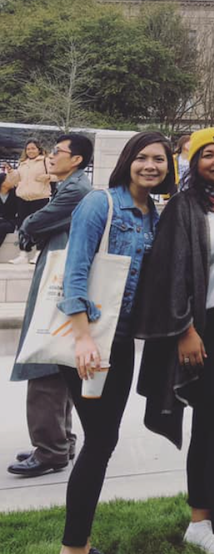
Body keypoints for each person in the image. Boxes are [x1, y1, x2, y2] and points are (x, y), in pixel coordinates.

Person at [135, 128, 214, 554]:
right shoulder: (184, 209)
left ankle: (199, 520)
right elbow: (168, 274)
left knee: (209, 427)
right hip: (209, 331)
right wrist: (184, 330)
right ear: (193, 163)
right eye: (206, 154)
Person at [56, 131, 174, 554]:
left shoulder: (154, 214)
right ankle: (74, 548)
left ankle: (79, 544)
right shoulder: (100, 203)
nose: (150, 166)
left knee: (103, 441)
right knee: (101, 440)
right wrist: (83, 337)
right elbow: (75, 270)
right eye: (142, 157)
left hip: (120, 345)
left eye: (159, 160)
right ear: (128, 160)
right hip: (86, 343)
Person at [7, 134, 94, 479]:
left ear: (76, 159)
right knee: (55, 363)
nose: (51, 156)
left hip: (55, 288)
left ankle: (50, 450)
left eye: (58, 151)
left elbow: (33, 224)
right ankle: (60, 442)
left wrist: (30, 229)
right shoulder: (73, 187)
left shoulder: (75, 191)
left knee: (43, 362)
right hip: (58, 282)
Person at [4, 139, 52, 265]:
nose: (30, 151)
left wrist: (48, 177)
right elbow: (15, 180)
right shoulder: (22, 163)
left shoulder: (46, 161)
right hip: (23, 199)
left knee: (40, 226)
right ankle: (23, 254)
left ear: (39, 149)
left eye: (33, 148)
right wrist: (10, 172)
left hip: (40, 198)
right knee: (23, 227)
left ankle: (38, 253)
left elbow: (57, 175)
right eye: (28, 149)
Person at [0, 171, 18, 248]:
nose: (13, 181)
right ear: (2, 183)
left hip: (10, 221)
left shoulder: (16, 193)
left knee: (2, 227)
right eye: (9, 179)